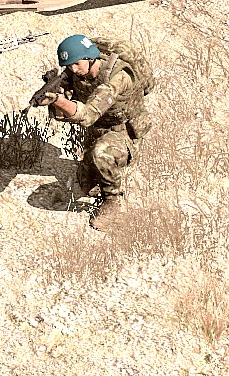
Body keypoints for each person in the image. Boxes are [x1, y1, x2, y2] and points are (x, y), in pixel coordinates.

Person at [42, 33, 152, 229]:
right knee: (85, 184)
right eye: (69, 66)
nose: (73, 70)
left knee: (100, 154)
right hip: (97, 131)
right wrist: (57, 95)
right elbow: (61, 117)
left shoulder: (118, 77)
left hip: (124, 133)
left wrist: (58, 101)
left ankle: (113, 201)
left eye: (77, 64)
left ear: (90, 57)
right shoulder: (76, 74)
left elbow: (88, 115)